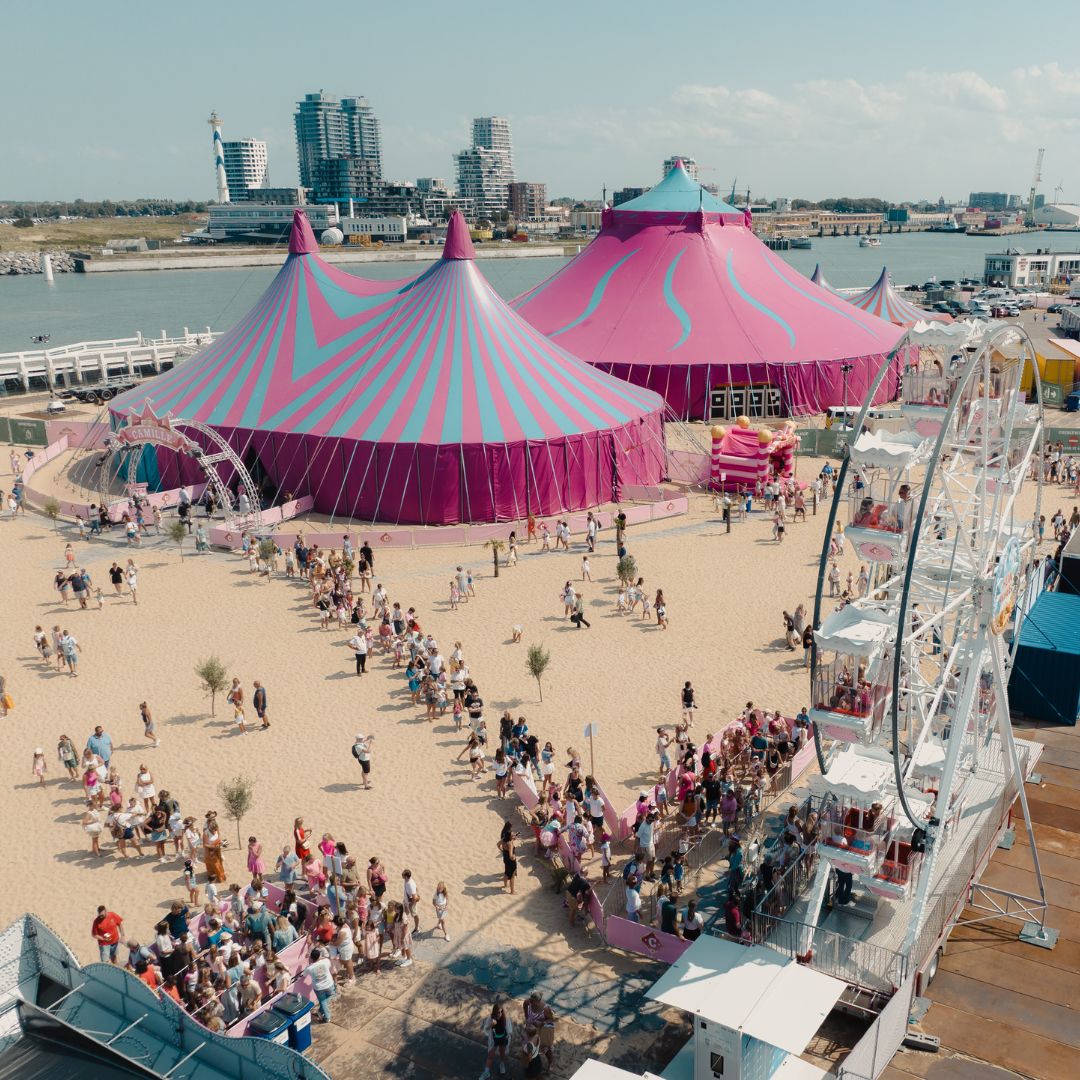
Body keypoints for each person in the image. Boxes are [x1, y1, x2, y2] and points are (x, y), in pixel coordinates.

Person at [480, 1001, 513, 1080]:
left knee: (502, 1054)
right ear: (494, 1012)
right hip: (494, 1039)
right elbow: (486, 1029)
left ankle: (502, 1065)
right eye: (498, 1012)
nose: (500, 1014)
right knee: (490, 1055)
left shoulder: (505, 1018)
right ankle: (486, 1073)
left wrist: (508, 1036)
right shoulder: (490, 1018)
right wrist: (491, 1025)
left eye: (501, 1012)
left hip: (503, 1039)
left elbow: (509, 1031)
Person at [306, 947, 336, 1022]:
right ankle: (320, 1012)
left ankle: (327, 1017)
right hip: (329, 984)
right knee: (329, 996)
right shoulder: (326, 961)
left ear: (311, 958)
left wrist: (310, 962)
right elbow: (327, 961)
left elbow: (304, 974)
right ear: (319, 956)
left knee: (323, 1002)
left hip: (319, 988)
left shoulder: (309, 968)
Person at [498, 822, 518, 895]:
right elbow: (510, 855)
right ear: (509, 836)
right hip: (510, 861)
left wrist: (502, 850)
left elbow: (498, 844)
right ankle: (512, 891)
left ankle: (505, 885)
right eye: (512, 835)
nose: (513, 835)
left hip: (505, 857)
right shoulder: (510, 844)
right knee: (512, 876)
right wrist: (514, 857)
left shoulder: (503, 839)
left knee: (506, 873)